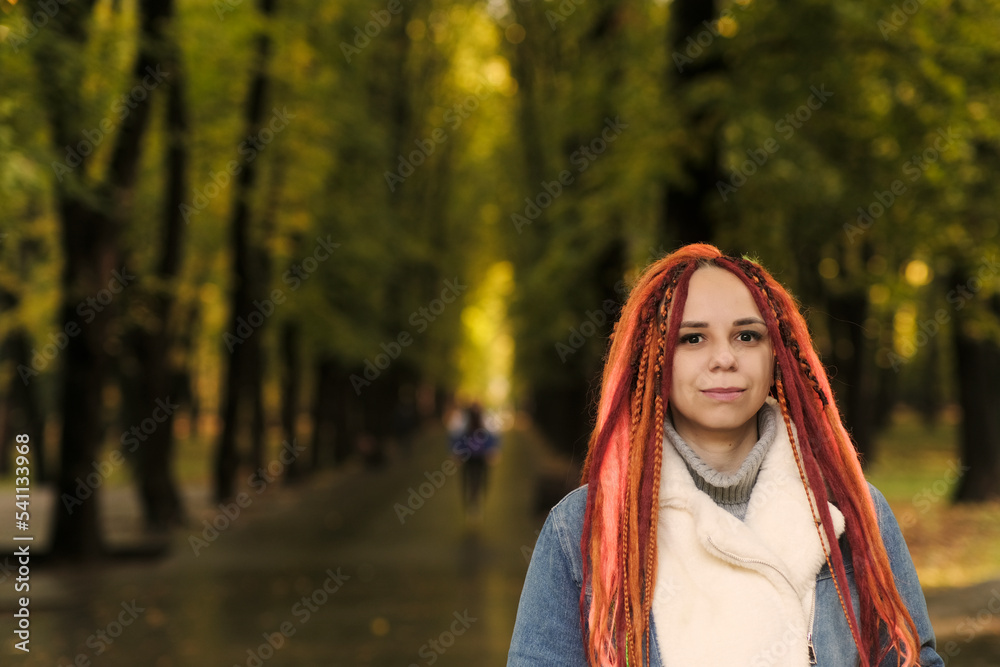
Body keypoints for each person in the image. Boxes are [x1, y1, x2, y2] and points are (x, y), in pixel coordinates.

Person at [508, 244, 942, 666]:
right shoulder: (584, 529)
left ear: (777, 355)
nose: (724, 358)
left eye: (747, 336)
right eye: (692, 338)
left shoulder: (855, 512)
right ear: (654, 360)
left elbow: (913, 657)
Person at [449, 402, 499, 519]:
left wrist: (492, 450)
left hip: (480, 456)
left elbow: (493, 436)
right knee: (469, 480)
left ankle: (476, 502)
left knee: (480, 480)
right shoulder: (464, 421)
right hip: (468, 456)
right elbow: (456, 435)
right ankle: (471, 504)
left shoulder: (485, 420)